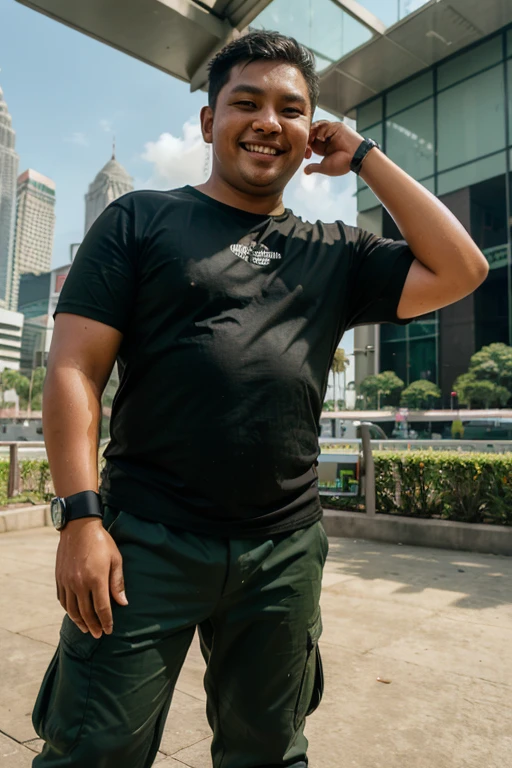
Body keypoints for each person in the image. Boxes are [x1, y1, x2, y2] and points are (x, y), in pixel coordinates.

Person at [32, 29, 488, 768]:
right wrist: (81, 519)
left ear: (312, 133)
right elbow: (73, 370)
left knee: (269, 751)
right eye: (246, 102)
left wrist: (366, 158)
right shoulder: (140, 220)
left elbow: (463, 268)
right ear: (210, 122)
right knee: (94, 748)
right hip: (143, 540)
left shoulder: (335, 251)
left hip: (282, 550)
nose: (269, 121)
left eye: (291, 108)